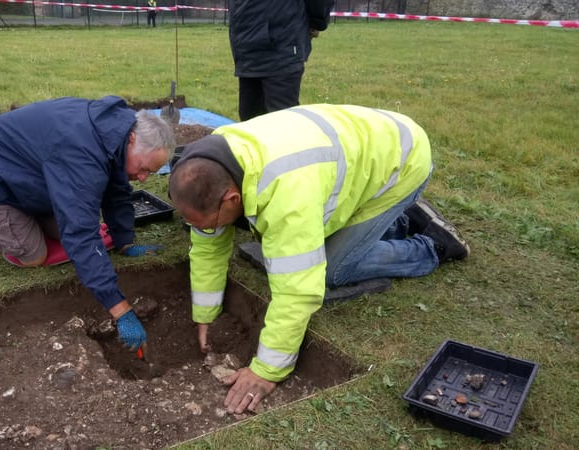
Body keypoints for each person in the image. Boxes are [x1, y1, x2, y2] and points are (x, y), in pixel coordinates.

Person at [168, 104, 469, 414]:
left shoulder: (288, 197)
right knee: (315, 244)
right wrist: (206, 314)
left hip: (400, 164)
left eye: (209, 223)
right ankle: (400, 221)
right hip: (359, 155)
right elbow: (208, 246)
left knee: (332, 269)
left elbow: (298, 291)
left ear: (232, 199)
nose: (204, 230)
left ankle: (432, 245)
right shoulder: (213, 165)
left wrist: (266, 371)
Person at [0, 96, 176, 352]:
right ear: (133, 140)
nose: (144, 179)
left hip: (34, 173)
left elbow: (116, 188)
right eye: (144, 168)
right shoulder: (83, 154)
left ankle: (26, 215)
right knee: (34, 254)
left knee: (72, 225)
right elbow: (81, 234)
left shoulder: (116, 133)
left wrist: (125, 241)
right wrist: (121, 310)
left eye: (150, 172)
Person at [228, 0, 335, 121]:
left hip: (265, 41)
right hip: (262, 43)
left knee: (268, 119)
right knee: (262, 120)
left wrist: (317, 21)